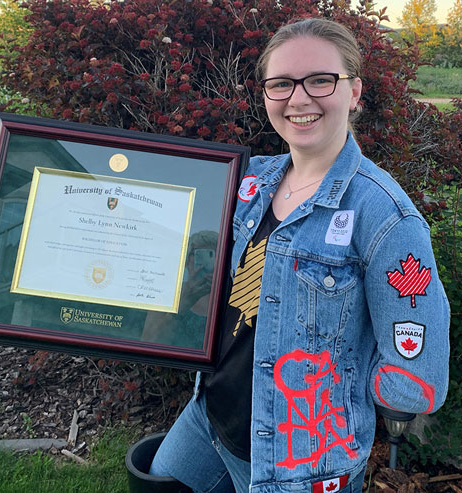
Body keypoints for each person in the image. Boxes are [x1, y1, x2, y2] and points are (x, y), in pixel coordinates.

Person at [146, 17, 450, 493]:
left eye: (320, 80)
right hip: (211, 417)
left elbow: (417, 378)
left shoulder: (385, 217)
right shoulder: (250, 181)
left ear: (354, 91)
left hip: (300, 459)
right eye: (282, 83)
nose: (299, 98)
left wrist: (336, 398)